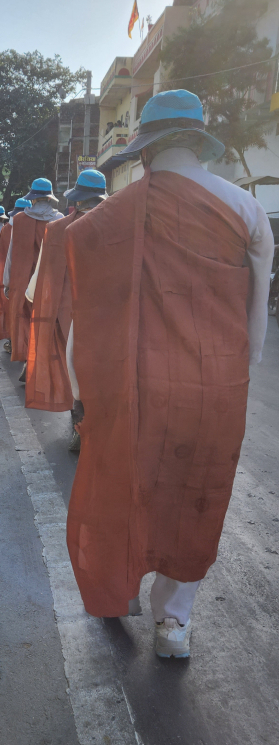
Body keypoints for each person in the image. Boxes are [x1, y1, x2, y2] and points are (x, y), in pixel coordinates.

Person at [64, 89, 274, 658]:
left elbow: (88, 315)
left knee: (130, 485)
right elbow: (257, 315)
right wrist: (235, 372)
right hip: (217, 386)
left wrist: (83, 391)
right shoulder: (247, 208)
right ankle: (173, 625)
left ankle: (118, 589)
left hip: (136, 384)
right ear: (200, 142)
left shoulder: (111, 216)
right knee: (195, 494)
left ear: (145, 152)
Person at [25, 171, 107, 436]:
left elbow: (42, 272)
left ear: (78, 200)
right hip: (107, 314)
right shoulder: (118, 226)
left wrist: (32, 296)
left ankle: (78, 417)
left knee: (72, 365)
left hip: (66, 312)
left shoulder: (58, 229)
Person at [3, 178, 63, 374]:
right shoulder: (59, 219)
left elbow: (11, 254)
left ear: (33, 198)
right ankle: (40, 362)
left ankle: (29, 360)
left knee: (26, 321)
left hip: (23, 282)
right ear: (49, 197)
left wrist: (7, 282)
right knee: (48, 322)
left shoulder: (18, 220)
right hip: (50, 283)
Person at [0, 199, 31, 344]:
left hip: (13, 277)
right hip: (33, 278)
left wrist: (5, 281)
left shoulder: (6, 230)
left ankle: (14, 341)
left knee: (13, 310)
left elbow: (2, 258)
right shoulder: (40, 227)